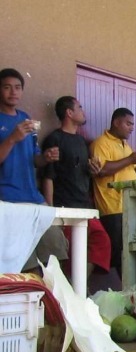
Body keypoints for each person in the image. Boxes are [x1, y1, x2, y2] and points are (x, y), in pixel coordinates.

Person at [0, 67, 68, 272]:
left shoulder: (25, 118)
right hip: (8, 198)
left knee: (55, 251)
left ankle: (54, 300)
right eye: (7, 87)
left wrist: (45, 158)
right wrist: (12, 138)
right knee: (23, 261)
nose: (13, 92)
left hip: (33, 196)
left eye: (18, 87)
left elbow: (33, 160)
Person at [41, 96, 112, 278]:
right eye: (79, 107)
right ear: (69, 113)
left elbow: (84, 170)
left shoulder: (81, 141)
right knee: (70, 252)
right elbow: (48, 176)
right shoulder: (54, 139)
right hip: (65, 207)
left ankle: (80, 285)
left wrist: (92, 169)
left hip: (85, 206)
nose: (83, 111)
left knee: (101, 241)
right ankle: (72, 292)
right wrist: (51, 211)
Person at [90, 107, 136, 274]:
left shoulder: (125, 146)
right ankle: (121, 288)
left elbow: (135, 175)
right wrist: (131, 158)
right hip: (112, 207)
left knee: (131, 251)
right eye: (128, 124)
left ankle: (132, 287)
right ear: (116, 122)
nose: (132, 127)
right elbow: (101, 170)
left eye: (133, 124)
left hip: (129, 205)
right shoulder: (101, 143)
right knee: (119, 254)